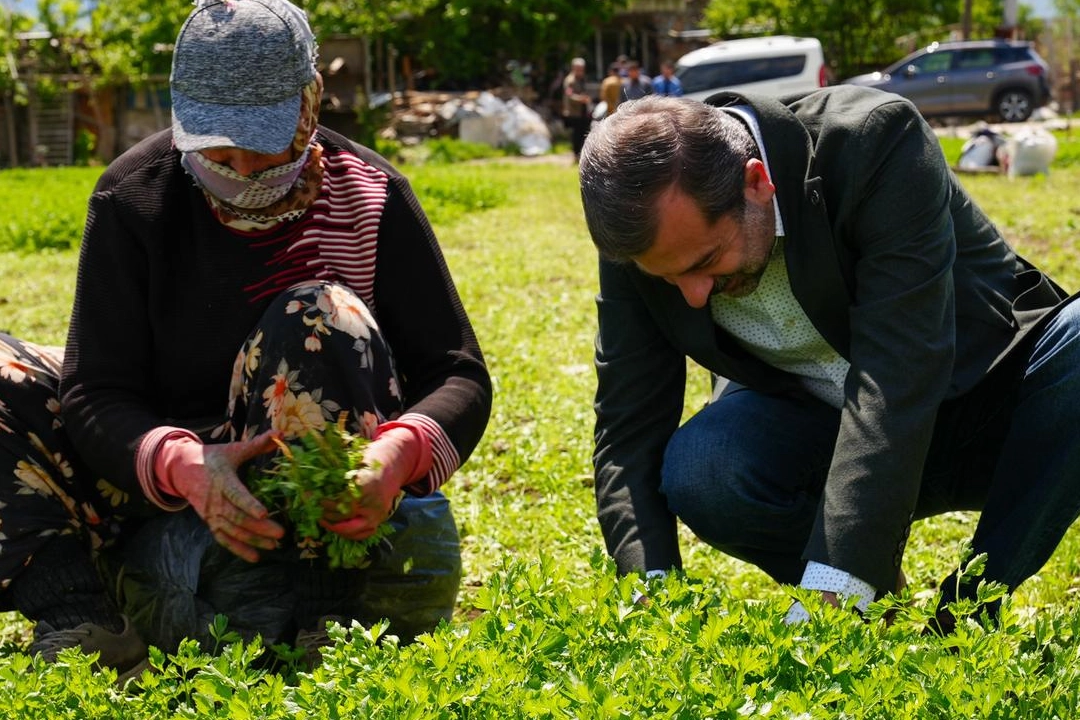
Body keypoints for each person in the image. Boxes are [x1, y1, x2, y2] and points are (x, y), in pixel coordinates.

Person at [0, 0, 491, 678]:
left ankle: (327, 609)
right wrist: (181, 463)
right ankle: (80, 614)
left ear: (308, 104)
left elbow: (457, 371)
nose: (237, 170)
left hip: (304, 486)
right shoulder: (132, 200)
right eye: (215, 150)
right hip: (165, 480)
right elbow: (96, 390)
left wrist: (402, 452)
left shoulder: (370, 197)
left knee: (319, 314)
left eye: (260, 147)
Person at [578, 89, 1080, 631]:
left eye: (706, 260)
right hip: (822, 427)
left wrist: (837, 580)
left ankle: (969, 609)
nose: (694, 294)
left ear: (756, 182)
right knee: (707, 467)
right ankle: (871, 602)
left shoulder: (873, 140)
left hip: (986, 403)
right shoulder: (646, 239)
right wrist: (650, 589)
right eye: (668, 278)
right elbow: (628, 427)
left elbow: (898, 373)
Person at [562, 57, 592, 163]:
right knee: (576, 135)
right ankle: (575, 155)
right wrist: (581, 99)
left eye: (582, 69)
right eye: (578, 69)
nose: (581, 71)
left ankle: (583, 154)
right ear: (574, 68)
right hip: (575, 113)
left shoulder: (582, 79)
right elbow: (569, 96)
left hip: (584, 112)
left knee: (584, 133)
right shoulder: (570, 80)